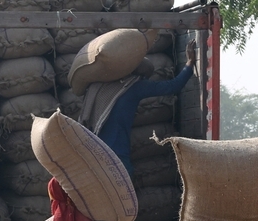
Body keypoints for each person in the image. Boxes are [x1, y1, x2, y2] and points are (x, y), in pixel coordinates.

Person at [80, 40, 197, 177]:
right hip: (118, 154)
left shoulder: (97, 87)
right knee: (124, 188)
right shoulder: (135, 86)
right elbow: (173, 86)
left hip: (93, 152)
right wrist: (190, 63)